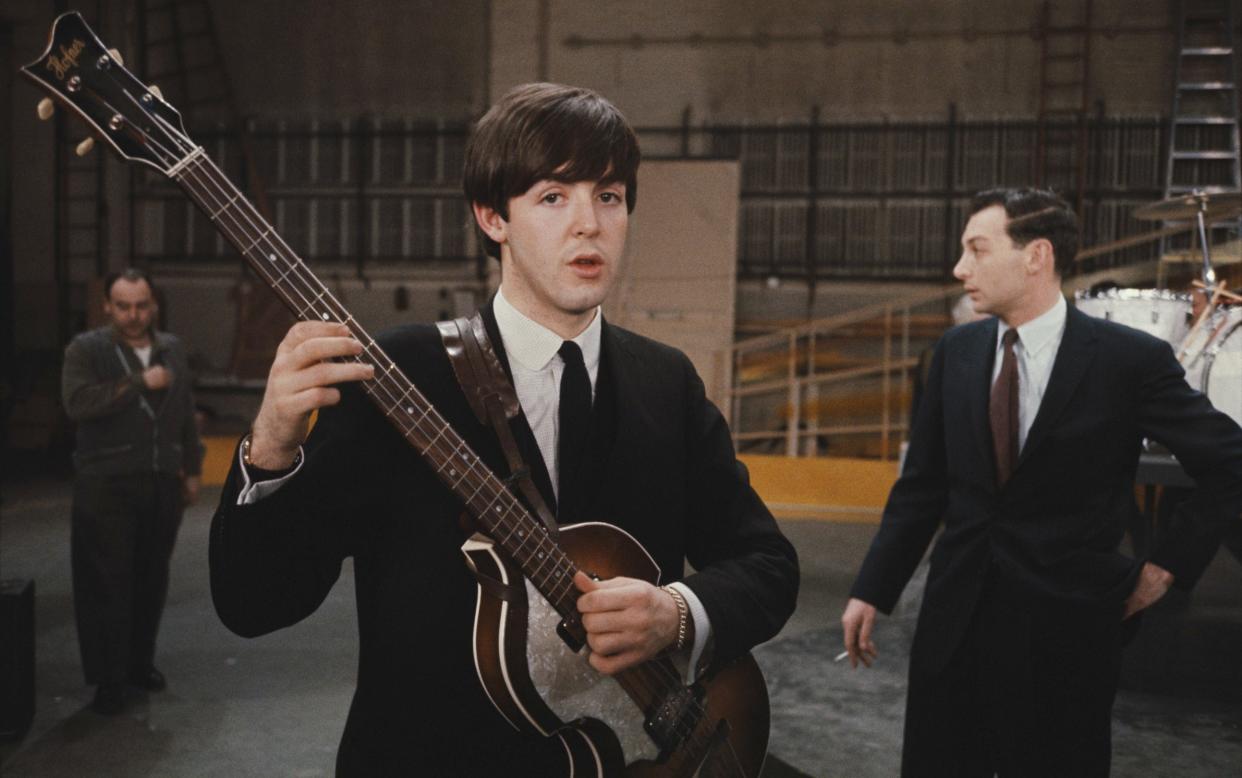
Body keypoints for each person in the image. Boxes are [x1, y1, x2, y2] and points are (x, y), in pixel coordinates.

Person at [209, 82, 799, 776]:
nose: (589, 224)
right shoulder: (401, 375)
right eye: (554, 197)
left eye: (608, 196)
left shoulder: (665, 383)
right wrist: (271, 446)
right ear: (493, 217)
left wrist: (676, 613)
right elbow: (254, 603)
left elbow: (768, 566)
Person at [839, 188, 1242, 776]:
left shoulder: (1129, 360)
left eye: (977, 249)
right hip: (954, 630)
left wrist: (1165, 569)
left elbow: (1230, 463)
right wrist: (873, 587)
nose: (959, 269)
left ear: (1037, 256)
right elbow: (922, 488)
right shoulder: (955, 352)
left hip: (1069, 633)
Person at [61, 267, 204, 715]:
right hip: (105, 486)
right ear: (107, 306)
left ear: (153, 305)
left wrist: (193, 468)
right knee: (107, 583)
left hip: (161, 482)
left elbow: (184, 411)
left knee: (150, 579)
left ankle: (140, 663)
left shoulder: (172, 349)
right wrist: (140, 382)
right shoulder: (87, 350)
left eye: (141, 305)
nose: (133, 315)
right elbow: (78, 403)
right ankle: (109, 679)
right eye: (122, 306)